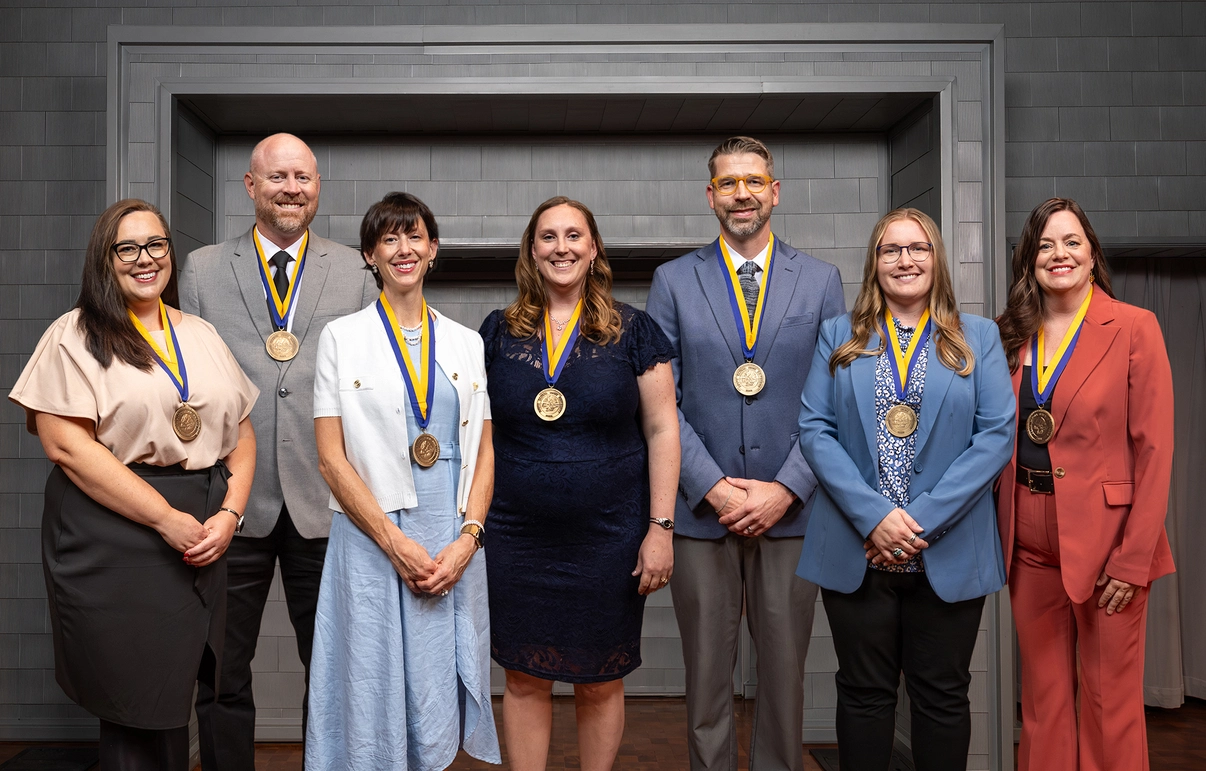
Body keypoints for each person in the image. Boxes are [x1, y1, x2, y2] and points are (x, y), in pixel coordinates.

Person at [8, 199, 258, 771]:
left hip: (203, 532)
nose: (145, 259)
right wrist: (165, 519)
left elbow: (241, 434)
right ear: (106, 258)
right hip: (115, 534)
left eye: (156, 244)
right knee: (134, 702)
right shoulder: (75, 333)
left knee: (173, 695)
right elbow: (66, 446)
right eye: (128, 248)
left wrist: (231, 514)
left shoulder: (200, 333)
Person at [644, 136, 845, 771]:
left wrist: (786, 488)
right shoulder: (674, 281)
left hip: (792, 514)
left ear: (774, 192)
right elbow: (662, 402)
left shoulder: (821, 281)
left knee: (784, 678)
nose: (742, 194)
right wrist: (713, 487)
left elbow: (834, 398)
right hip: (703, 514)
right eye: (728, 183)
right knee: (706, 677)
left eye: (754, 181)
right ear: (711, 196)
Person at [177, 132, 377, 767]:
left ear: (317, 187)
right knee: (221, 671)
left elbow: (368, 384)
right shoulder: (203, 268)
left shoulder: (355, 270)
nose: (292, 189)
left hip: (326, 500)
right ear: (250, 185)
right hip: (231, 504)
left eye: (303, 178)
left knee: (334, 670)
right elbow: (189, 378)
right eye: (278, 177)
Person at [795, 207, 1015, 771]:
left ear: (936, 258)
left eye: (918, 248)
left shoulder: (979, 337)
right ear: (874, 262)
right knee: (863, 694)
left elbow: (995, 436)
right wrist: (875, 518)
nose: (905, 260)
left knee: (942, 697)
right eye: (890, 249)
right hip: (857, 549)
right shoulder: (839, 335)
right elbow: (814, 430)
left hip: (947, 548)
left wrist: (917, 523)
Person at [480, 196, 679, 771]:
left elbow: (664, 429)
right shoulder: (498, 331)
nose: (561, 248)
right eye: (548, 237)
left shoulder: (633, 330)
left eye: (574, 236)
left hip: (609, 536)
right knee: (523, 678)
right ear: (531, 250)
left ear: (593, 249)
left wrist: (661, 528)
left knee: (600, 678)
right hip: (516, 536)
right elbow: (476, 430)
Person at [305, 192, 499, 769]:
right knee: (372, 677)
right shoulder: (341, 337)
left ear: (433, 249)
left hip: (450, 533)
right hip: (373, 534)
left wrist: (468, 540)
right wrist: (394, 544)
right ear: (370, 255)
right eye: (388, 239)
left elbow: (484, 450)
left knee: (438, 680)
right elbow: (330, 459)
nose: (403, 248)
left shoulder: (467, 341)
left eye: (414, 236)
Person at [994, 198, 1175, 771]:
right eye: (1045, 245)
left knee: (1107, 702)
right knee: (1042, 703)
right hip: (1027, 539)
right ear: (1030, 259)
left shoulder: (1134, 327)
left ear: (1092, 254)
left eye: (1072, 242)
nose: (1059, 254)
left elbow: (1155, 451)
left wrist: (1133, 559)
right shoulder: (1009, 333)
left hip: (1110, 542)